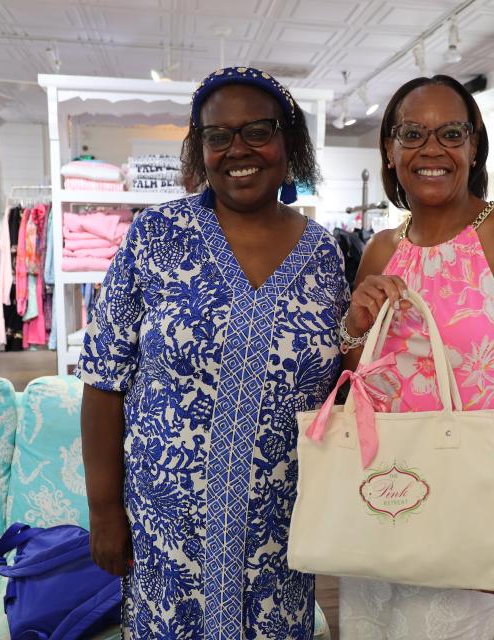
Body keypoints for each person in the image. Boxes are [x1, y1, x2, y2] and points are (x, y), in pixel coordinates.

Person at [77, 67, 349, 640]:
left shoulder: (324, 253)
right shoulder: (156, 237)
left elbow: (341, 381)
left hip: (280, 529)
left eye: (257, 130)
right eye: (217, 136)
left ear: (288, 141)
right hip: (169, 524)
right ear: (200, 149)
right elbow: (103, 379)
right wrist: (104, 511)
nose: (237, 149)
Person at [337, 75, 494, 638]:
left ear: (473, 144)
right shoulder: (382, 250)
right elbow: (358, 382)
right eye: (412, 133)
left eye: (450, 132)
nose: (431, 149)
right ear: (390, 151)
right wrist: (352, 326)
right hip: (382, 492)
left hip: (471, 499)